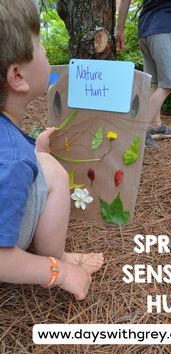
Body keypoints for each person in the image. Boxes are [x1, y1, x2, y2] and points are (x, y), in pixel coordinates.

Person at [0, 0, 104, 299]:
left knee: (41, 159)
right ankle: (55, 256)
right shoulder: (13, 158)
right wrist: (58, 272)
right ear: (18, 77)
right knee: (53, 171)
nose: (45, 50)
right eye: (39, 43)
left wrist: (37, 150)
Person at [116, 0, 171, 147]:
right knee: (169, 84)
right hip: (165, 27)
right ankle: (138, 130)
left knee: (155, 83)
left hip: (145, 29)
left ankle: (155, 125)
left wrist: (120, 29)